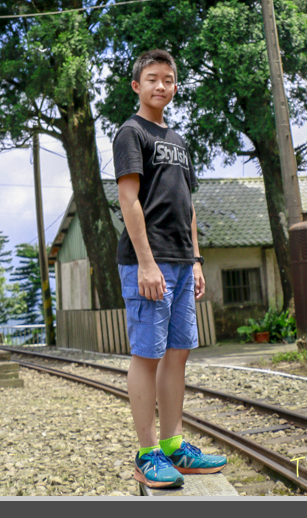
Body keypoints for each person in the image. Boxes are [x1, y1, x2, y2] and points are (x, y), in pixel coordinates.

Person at [113, 48, 227, 490]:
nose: (161, 86)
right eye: (152, 78)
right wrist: (145, 262)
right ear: (136, 85)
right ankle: (147, 454)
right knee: (148, 354)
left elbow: (189, 205)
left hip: (181, 261)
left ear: (175, 86)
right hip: (149, 261)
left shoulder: (178, 140)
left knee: (178, 351)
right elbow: (128, 199)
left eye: (169, 79)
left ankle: (175, 445)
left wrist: (197, 259)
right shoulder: (130, 132)